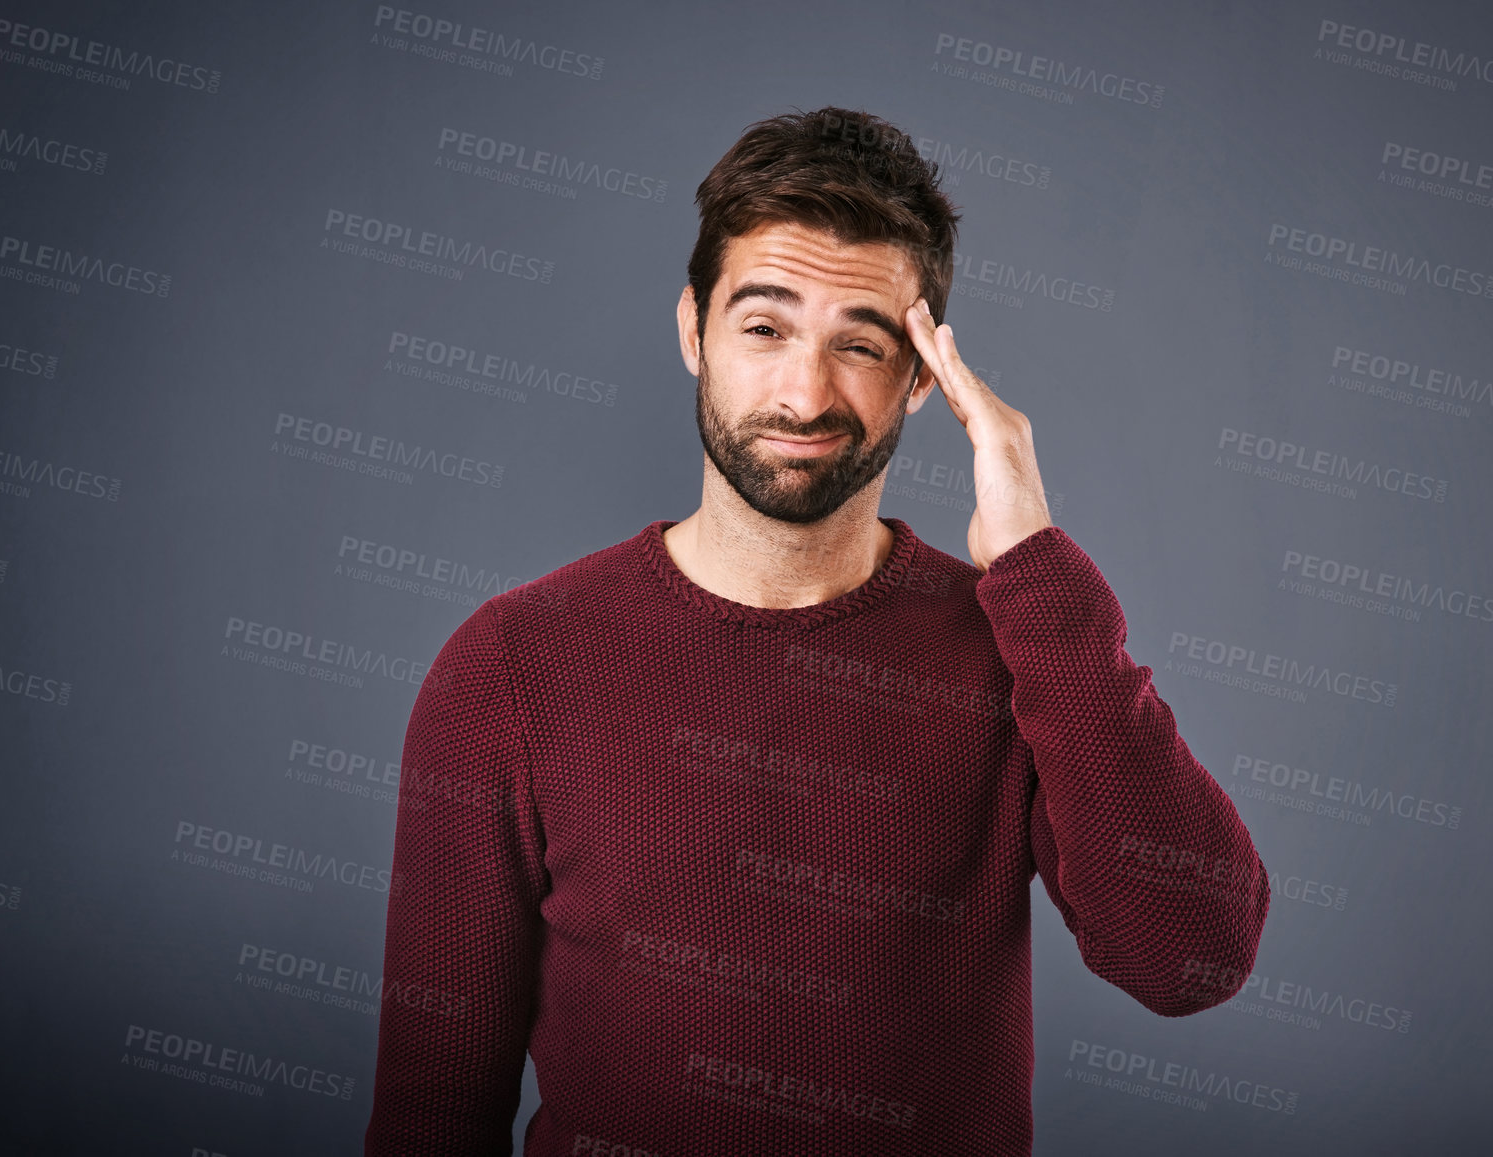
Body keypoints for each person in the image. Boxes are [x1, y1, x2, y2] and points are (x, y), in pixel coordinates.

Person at [365, 106, 1268, 1157]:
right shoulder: (512, 664)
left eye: (859, 343)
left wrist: (1034, 568)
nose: (803, 391)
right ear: (692, 329)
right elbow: (433, 1107)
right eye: (764, 326)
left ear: (924, 377)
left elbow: (1190, 957)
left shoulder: (1016, 648)